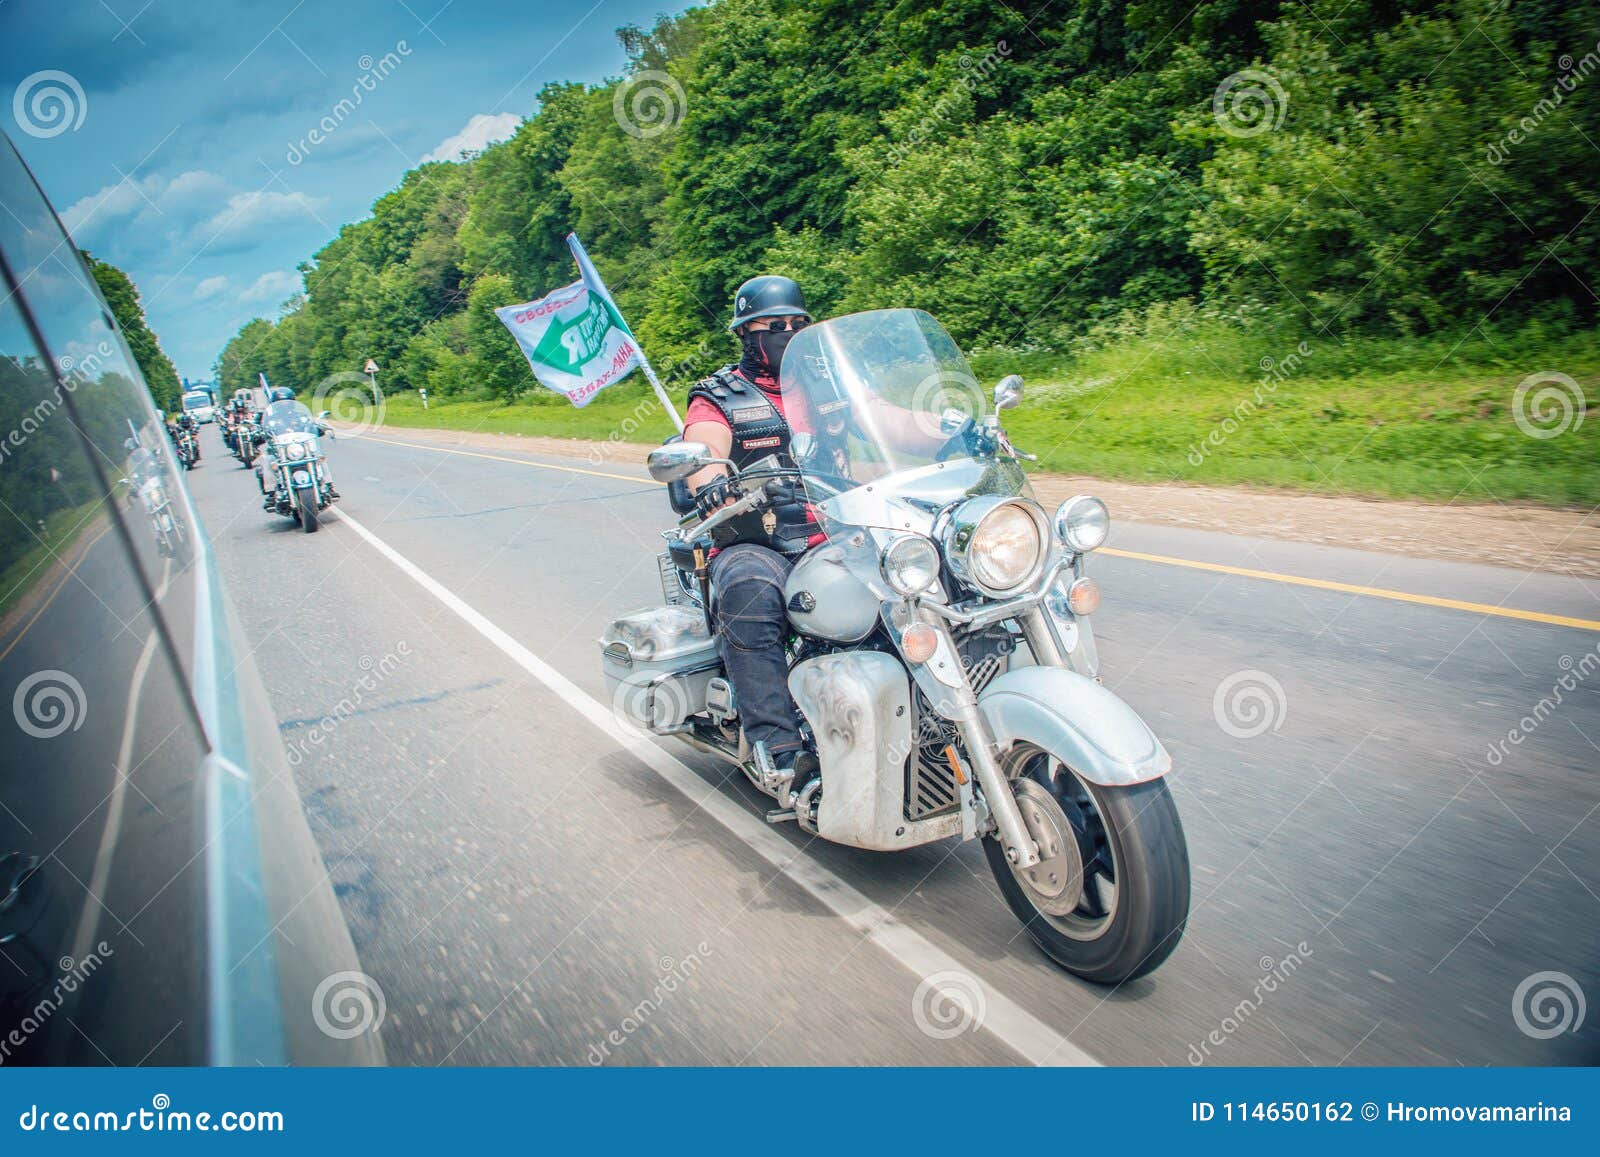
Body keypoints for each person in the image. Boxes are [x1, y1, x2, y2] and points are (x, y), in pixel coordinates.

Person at [682, 276, 821, 793]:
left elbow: (893, 424)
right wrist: (710, 482)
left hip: (837, 533)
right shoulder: (718, 397)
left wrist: (955, 426)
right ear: (746, 333)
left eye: (797, 324)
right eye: (774, 326)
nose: (788, 333)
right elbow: (703, 446)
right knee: (749, 590)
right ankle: (777, 749)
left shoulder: (828, 386)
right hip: (759, 542)